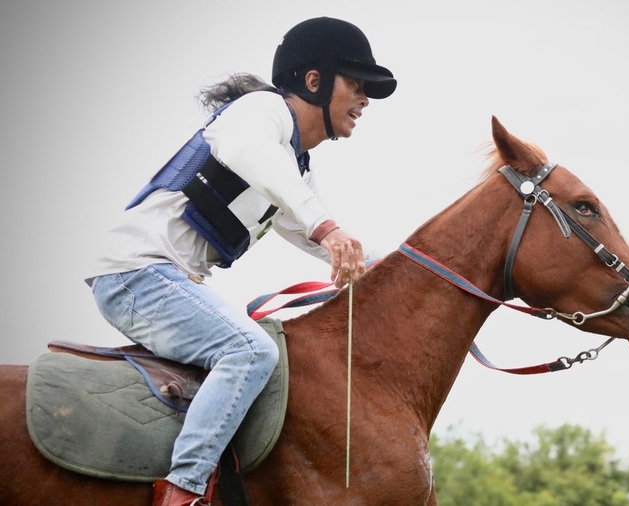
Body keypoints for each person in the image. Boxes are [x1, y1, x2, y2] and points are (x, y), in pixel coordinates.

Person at [85, 16, 397, 506]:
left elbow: (317, 232)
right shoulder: (261, 111)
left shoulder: (293, 167)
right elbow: (264, 169)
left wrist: (406, 269)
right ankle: (184, 493)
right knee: (250, 351)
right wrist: (327, 228)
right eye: (357, 84)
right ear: (313, 80)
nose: (365, 100)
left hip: (156, 277)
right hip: (136, 274)